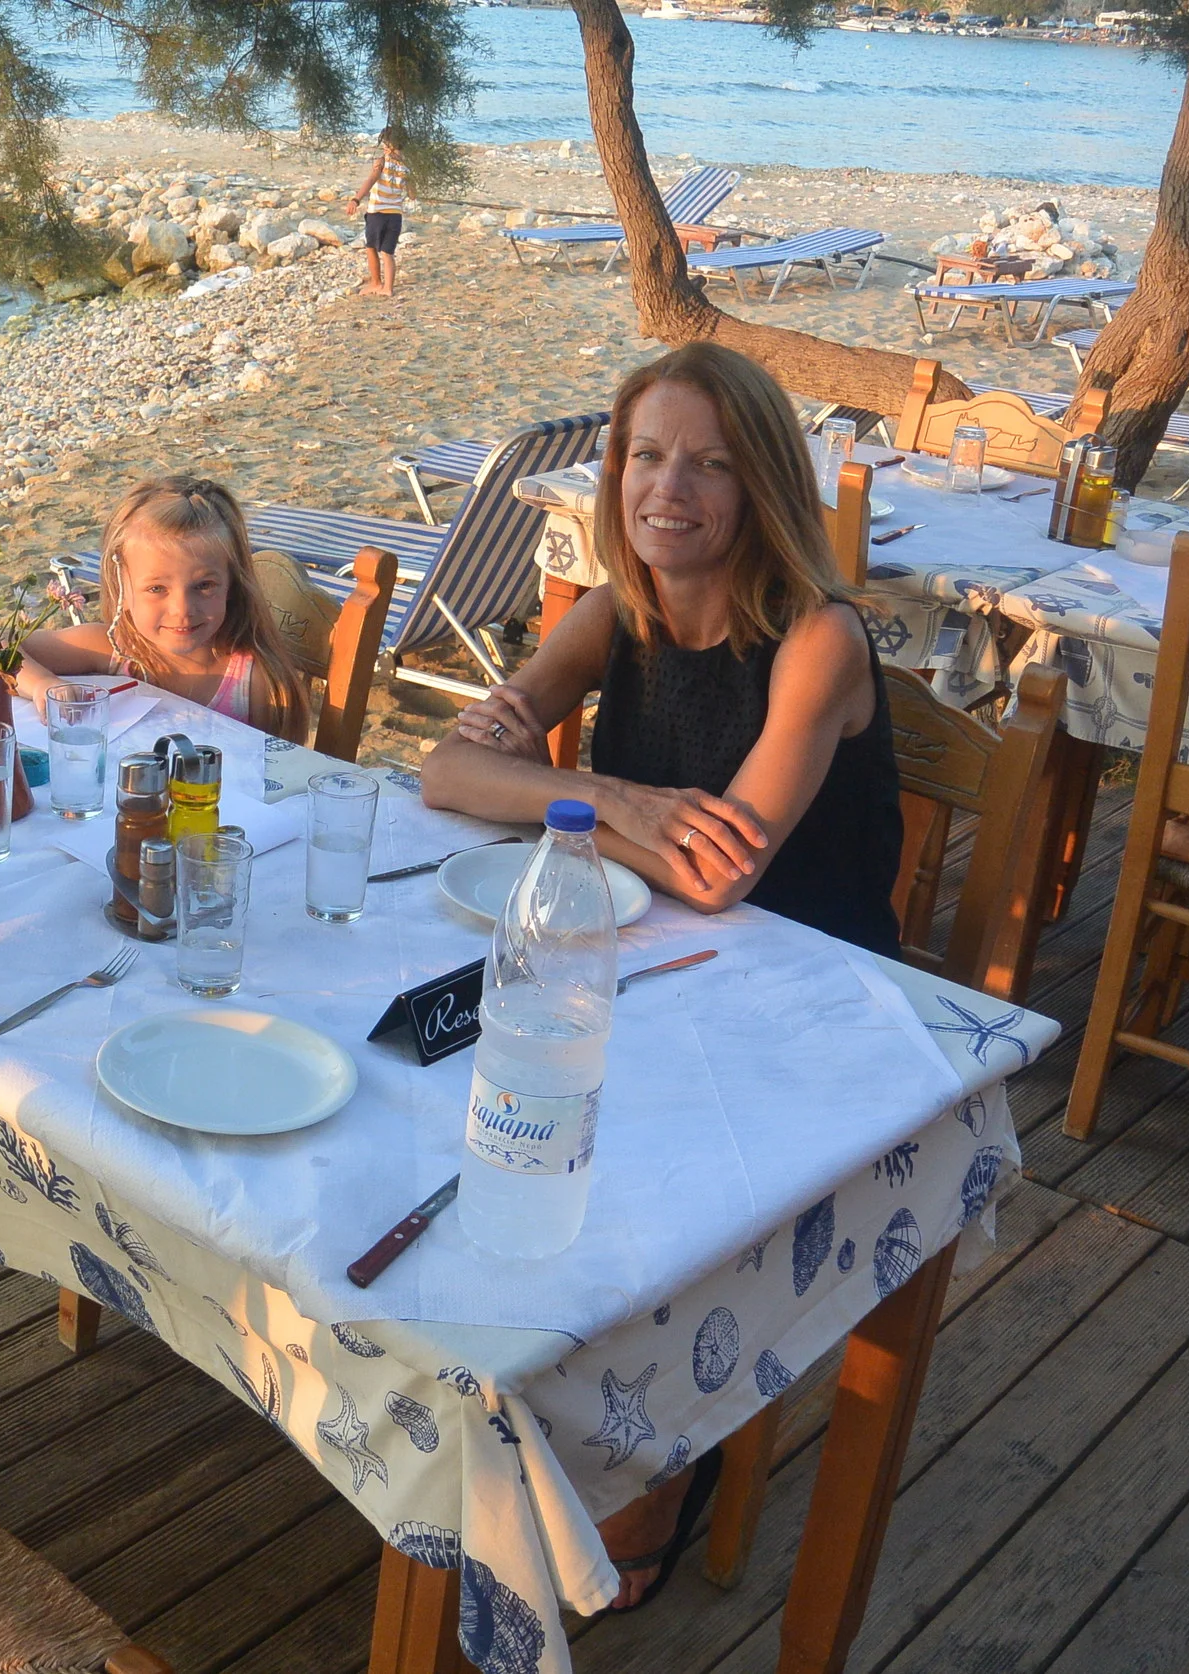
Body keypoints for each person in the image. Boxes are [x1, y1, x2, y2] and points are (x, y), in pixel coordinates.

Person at [420, 342, 904, 1606]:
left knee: (607, 1147)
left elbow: (719, 871)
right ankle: (503, 1391)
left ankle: (655, 1442)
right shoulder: (612, 611)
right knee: (457, 1075)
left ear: (762, 490)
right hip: (656, 967)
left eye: (708, 464)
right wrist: (607, 794)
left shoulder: (819, 640)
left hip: (808, 1008)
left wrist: (570, 804)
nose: (666, 490)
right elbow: (448, 772)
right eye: (644, 456)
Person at [17, 476, 312, 740]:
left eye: (204, 586)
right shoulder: (115, 648)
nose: (182, 609)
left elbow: (280, 778)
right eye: (157, 589)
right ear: (122, 586)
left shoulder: (254, 682)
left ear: (232, 584)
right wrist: (43, 684)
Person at [344, 125, 410, 298]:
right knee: (388, 252)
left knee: (371, 247)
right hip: (395, 215)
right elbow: (412, 193)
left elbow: (371, 180)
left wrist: (356, 199)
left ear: (388, 143)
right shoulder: (406, 167)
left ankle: (376, 283)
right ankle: (388, 288)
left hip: (377, 213)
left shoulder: (382, 161)